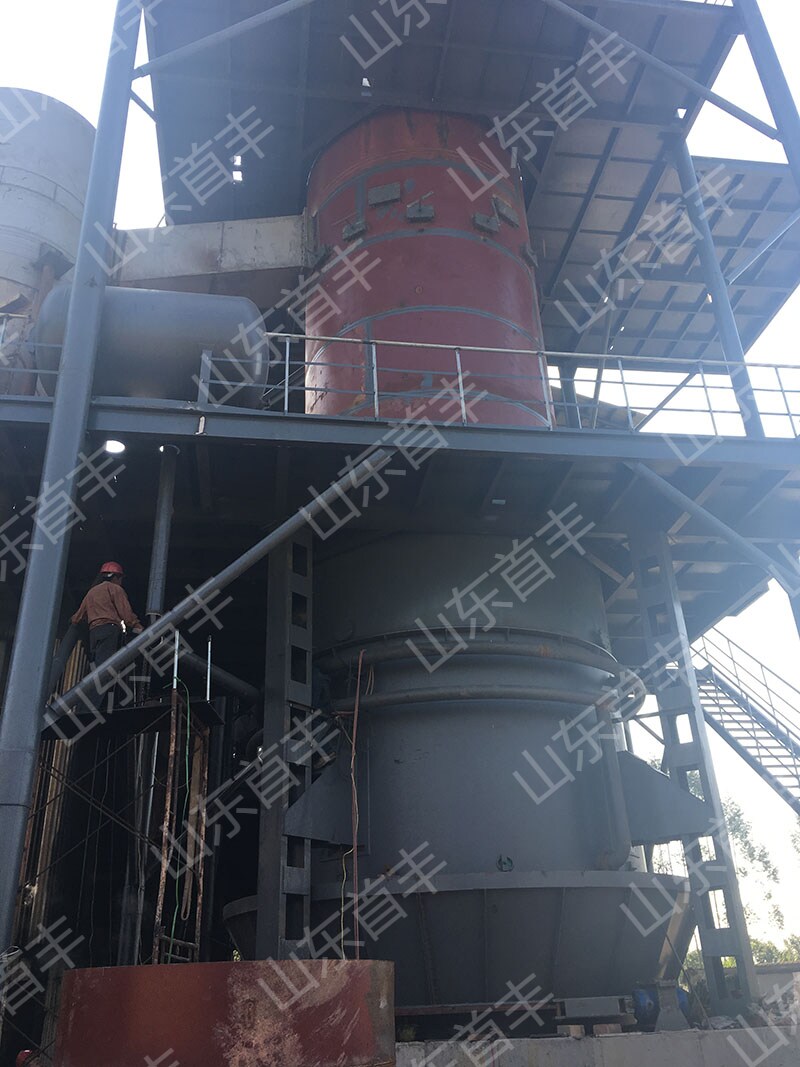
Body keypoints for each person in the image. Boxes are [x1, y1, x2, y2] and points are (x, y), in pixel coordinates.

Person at [71, 561, 144, 669]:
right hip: (109, 629)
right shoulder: (115, 589)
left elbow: (78, 617)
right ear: (116, 577)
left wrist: (73, 621)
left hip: (94, 632)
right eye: (120, 578)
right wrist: (137, 626)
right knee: (105, 666)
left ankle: (96, 679)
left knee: (97, 662)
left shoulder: (91, 592)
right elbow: (125, 613)